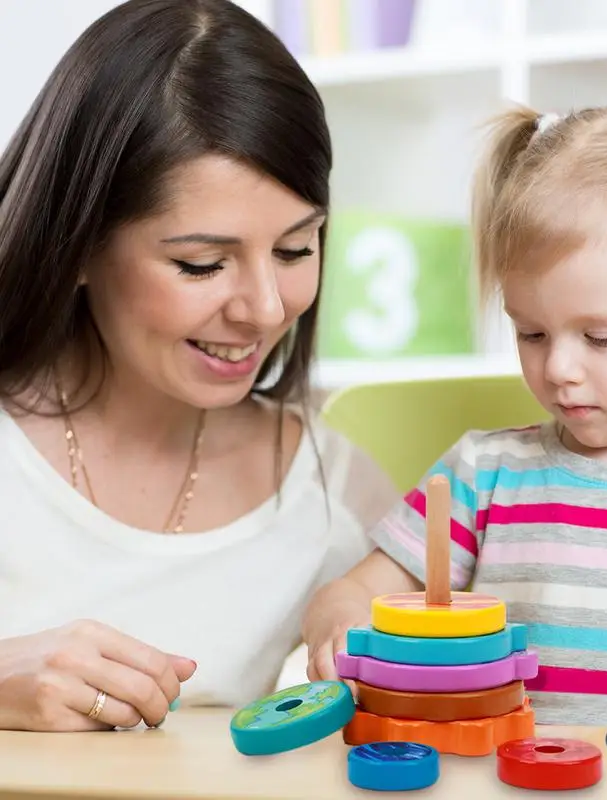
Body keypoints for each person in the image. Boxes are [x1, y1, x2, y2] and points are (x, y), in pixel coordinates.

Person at [304, 104, 607, 734]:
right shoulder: (483, 473)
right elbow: (347, 594)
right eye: (531, 332)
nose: (559, 367)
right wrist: (338, 625)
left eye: (599, 337)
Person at [0, 0, 400, 732]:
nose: (266, 309)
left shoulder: (330, 492)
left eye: (295, 249)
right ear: (78, 244)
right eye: (202, 263)